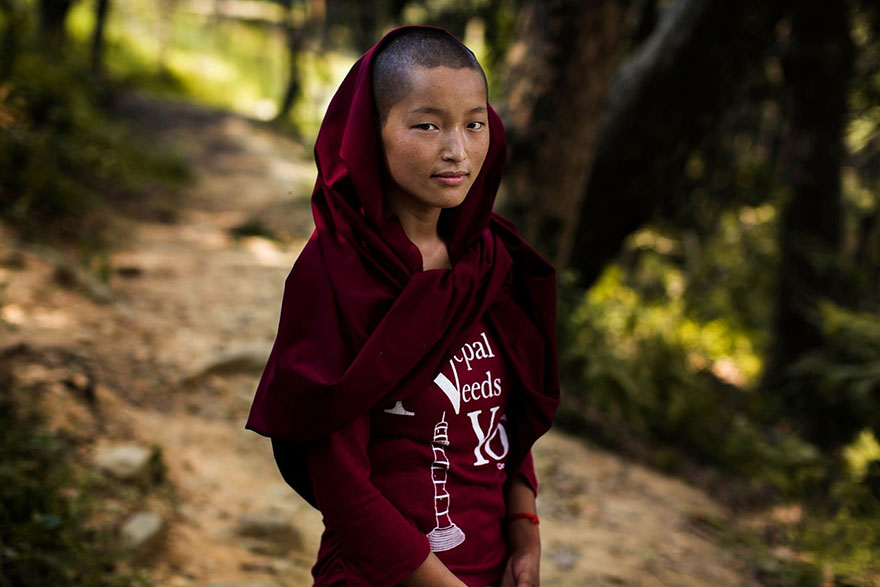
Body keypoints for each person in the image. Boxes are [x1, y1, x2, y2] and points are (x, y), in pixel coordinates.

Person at [245, 25, 560, 587]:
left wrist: (526, 535)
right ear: (373, 133)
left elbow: (504, 420)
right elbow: (339, 482)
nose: (457, 150)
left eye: (474, 124)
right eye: (427, 125)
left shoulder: (488, 259)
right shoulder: (337, 275)